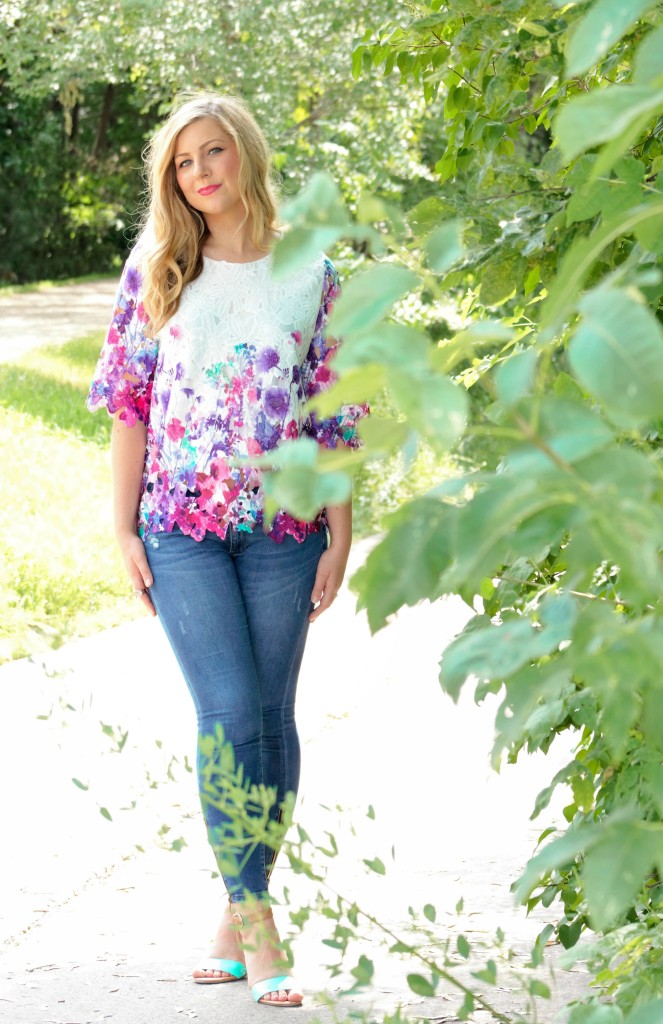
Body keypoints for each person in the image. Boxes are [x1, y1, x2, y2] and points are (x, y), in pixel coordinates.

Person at [86, 93, 366, 1008]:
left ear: (244, 153)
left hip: (287, 531)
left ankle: (233, 914)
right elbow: (130, 406)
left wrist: (341, 530)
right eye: (182, 162)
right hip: (181, 529)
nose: (200, 172)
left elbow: (332, 411)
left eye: (213, 153)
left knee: (272, 720)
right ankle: (258, 923)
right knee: (230, 712)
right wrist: (123, 528)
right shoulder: (159, 266)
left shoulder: (311, 271)